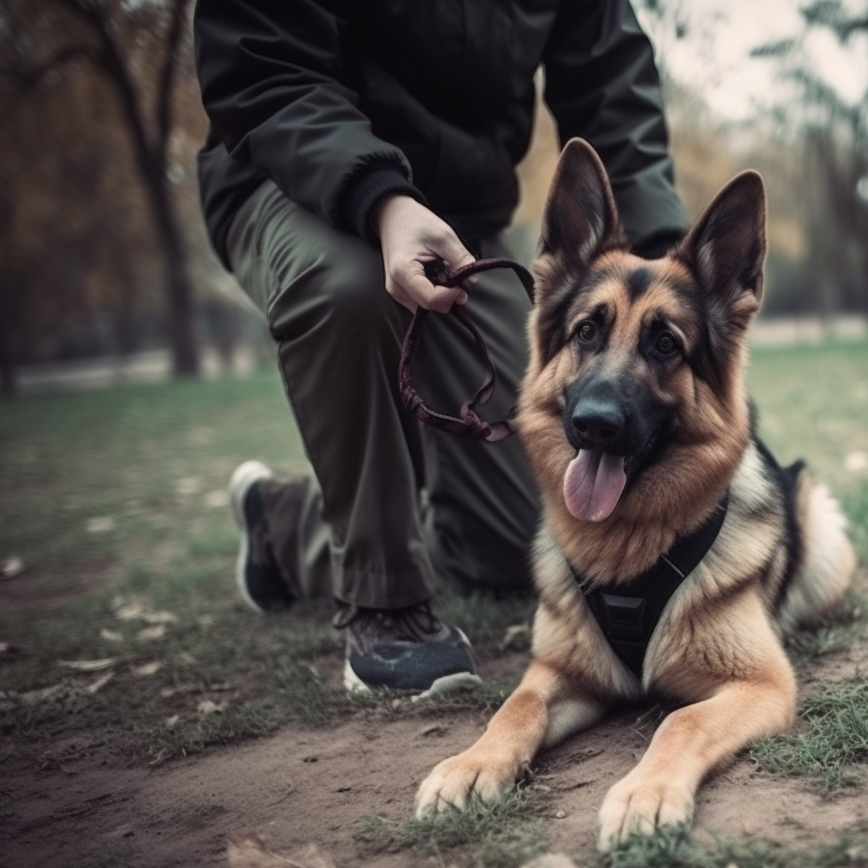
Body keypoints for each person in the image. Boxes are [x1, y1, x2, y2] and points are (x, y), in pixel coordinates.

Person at [193, 0, 689, 694]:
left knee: (535, 533)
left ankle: (285, 526)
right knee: (353, 285)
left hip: (462, 221)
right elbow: (262, 64)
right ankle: (384, 604)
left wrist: (672, 290)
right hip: (291, 178)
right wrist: (380, 198)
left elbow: (614, 100)